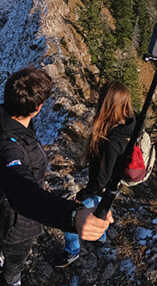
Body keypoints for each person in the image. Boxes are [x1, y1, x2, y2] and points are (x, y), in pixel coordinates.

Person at [0, 67, 113, 286]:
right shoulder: (8, 147)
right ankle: (13, 285)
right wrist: (72, 215)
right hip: (17, 216)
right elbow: (23, 190)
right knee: (18, 251)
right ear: (38, 108)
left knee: (0, 237)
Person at [54, 80, 135, 268]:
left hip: (102, 189)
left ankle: (71, 252)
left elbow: (101, 179)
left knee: (70, 217)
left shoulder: (111, 141)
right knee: (101, 210)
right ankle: (101, 237)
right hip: (114, 187)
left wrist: (81, 196)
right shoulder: (130, 124)